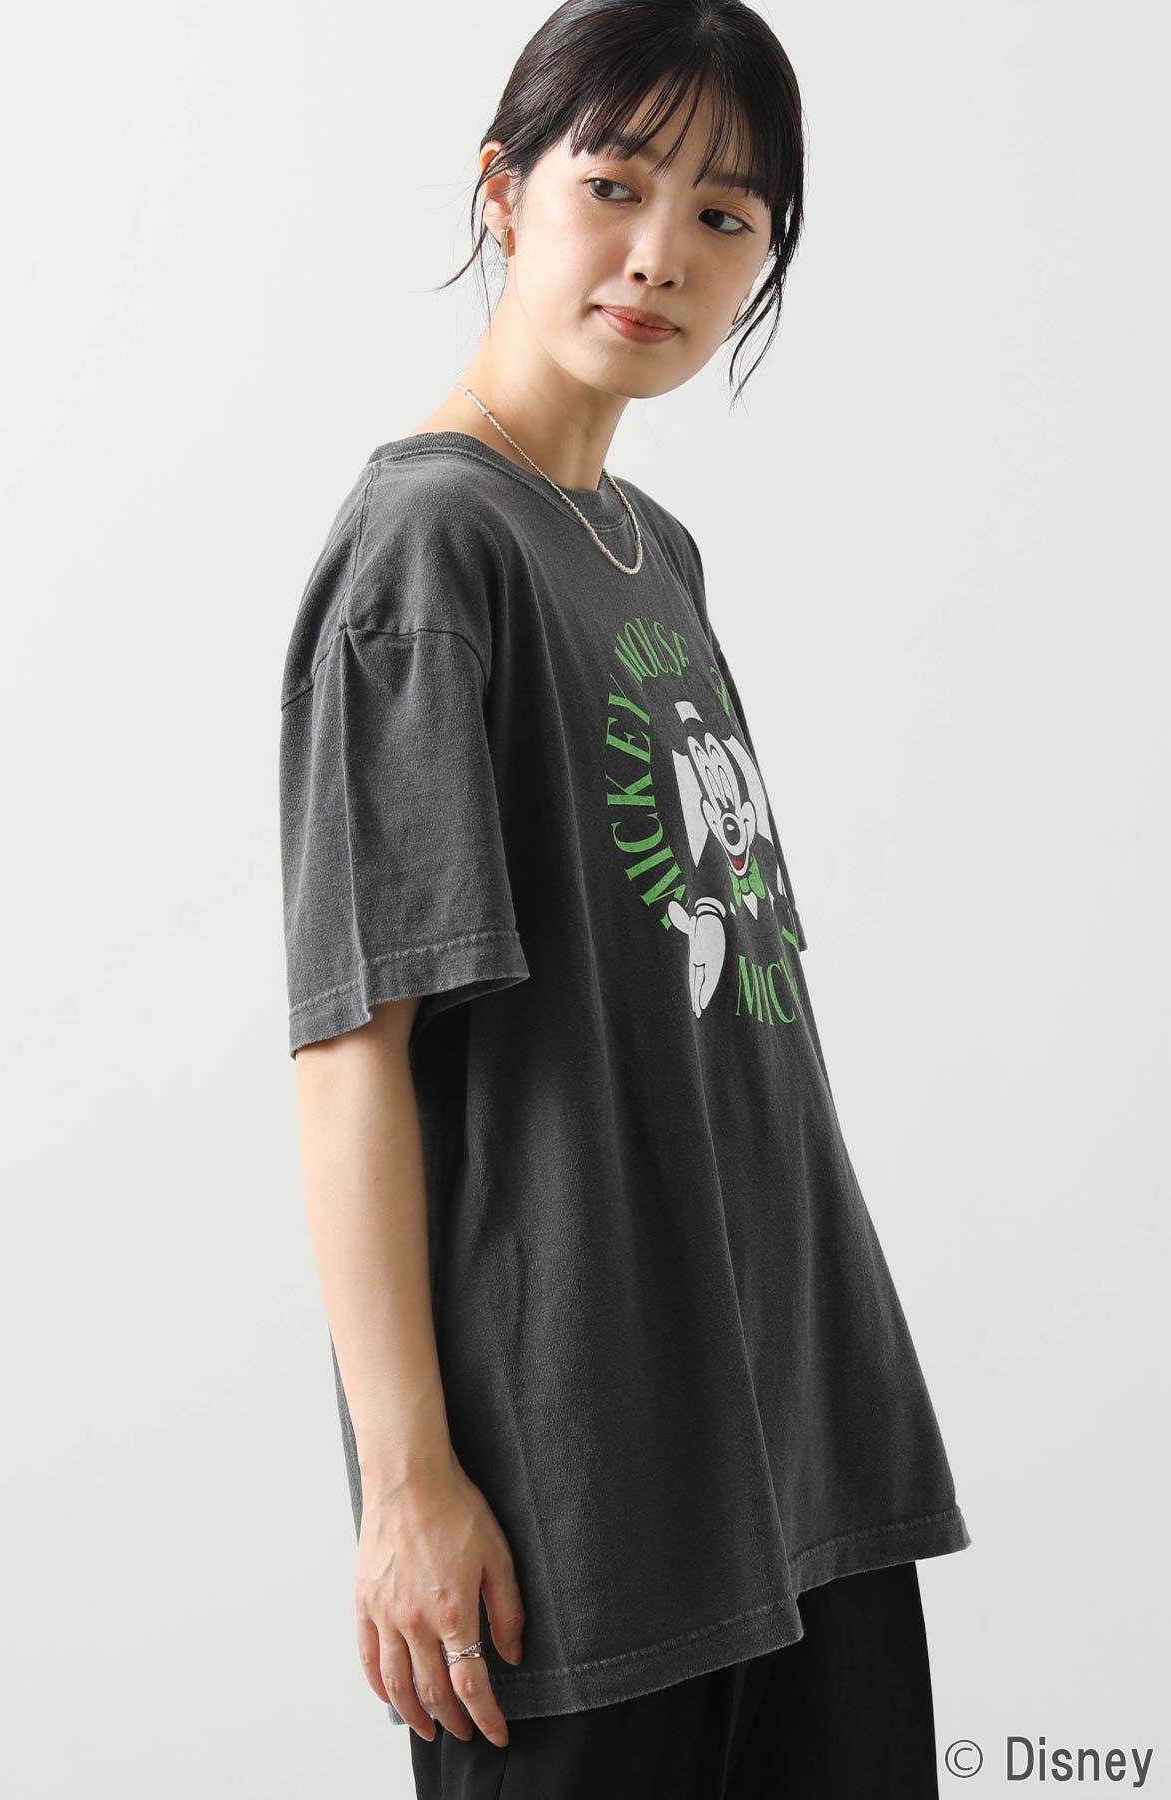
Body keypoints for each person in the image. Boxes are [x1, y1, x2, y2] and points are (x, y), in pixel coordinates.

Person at [277, 3, 972, 1793]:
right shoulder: (430, 553)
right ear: (504, 192)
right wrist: (407, 1486)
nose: (663, 252)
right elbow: (354, 1048)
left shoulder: (651, 552)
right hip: (586, 1496)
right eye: (616, 183)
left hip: (798, 1443)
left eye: (726, 216)